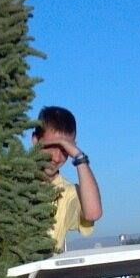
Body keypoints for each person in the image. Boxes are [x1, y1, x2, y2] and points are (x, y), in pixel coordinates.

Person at [32, 106, 102, 251]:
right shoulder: (7, 178)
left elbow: (93, 213)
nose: (57, 157)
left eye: (65, 149)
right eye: (52, 147)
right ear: (35, 140)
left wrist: (80, 158)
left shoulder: (67, 193)